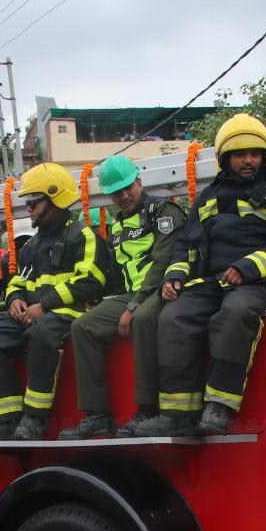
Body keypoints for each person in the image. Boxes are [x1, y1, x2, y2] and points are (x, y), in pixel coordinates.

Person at [136, 114, 266, 436]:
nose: (248, 161)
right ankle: (177, 413)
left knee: (236, 311)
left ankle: (219, 406)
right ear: (225, 159)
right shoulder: (208, 197)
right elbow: (185, 243)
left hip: (264, 282)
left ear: (264, 157)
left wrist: (246, 267)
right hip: (214, 282)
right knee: (174, 317)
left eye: (255, 154)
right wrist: (175, 278)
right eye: (241, 155)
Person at [0, 162, 111, 441]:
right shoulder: (32, 245)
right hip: (34, 313)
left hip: (70, 313)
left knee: (42, 335)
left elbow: (91, 280)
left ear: (55, 198)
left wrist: (44, 305)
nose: (29, 209)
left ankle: (35, 419)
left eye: (34, 203)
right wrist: (15, 300)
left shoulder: (82, 234)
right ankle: (6, 420)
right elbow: (18, 281)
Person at [58, 156, 186, 439]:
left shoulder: (163, 212)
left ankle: (147, 409)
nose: (124, 195)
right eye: (116, 192)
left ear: (139, 182)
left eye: (128, 187)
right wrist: (95, 298)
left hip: (161, 290)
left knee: (141, 320)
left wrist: (133, 305)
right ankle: (97, 415)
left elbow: (162, 263)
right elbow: (116, 273)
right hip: (130, 295)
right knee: (83, 326)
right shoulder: (117, 226)